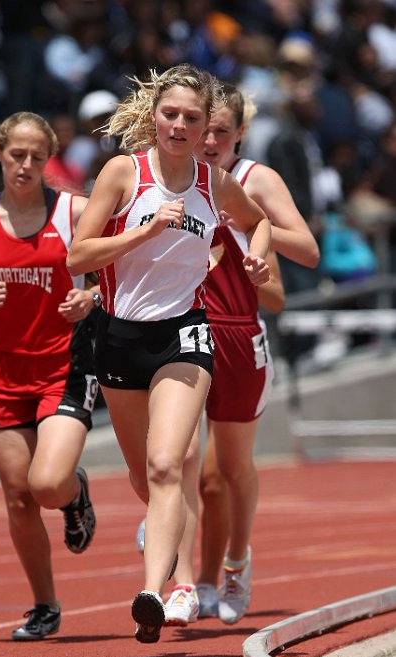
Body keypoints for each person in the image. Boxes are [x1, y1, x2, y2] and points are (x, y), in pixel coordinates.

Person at [67, 64, 271, 643]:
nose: (180, 126)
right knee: (143, 476)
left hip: (185, 335)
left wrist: (254, 257)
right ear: (153, 116)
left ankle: (159, 589)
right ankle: (173, 567)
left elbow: (260, 226)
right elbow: (78, 257)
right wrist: (145, 230)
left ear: (209, 127)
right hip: (119, 338)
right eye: (171, 114)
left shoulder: (213, 184)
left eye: (192, 118)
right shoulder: (122, 173)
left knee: (167, 464)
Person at [164, 84, 319, 628]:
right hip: (179, 330)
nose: (208, 140)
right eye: (203, 128)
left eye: (222, 132)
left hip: (238, 335)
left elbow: (307, 252)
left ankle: (234, 562)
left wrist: (247, 226)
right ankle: (180, 562)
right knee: (177, 459)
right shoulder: (173, 171)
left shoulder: (254, 181)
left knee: (224, 472)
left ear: (240, 135)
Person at [0, 111, 100, 641]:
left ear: (48, 158)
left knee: (47, 483)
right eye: (17, 155)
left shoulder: (75, 212)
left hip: (64, 365)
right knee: (17, 497)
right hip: (2, 371)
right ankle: (44, 604)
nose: (27, 165)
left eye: (37, 156)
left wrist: (92, 295)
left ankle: (74, 493)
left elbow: (119, 274)